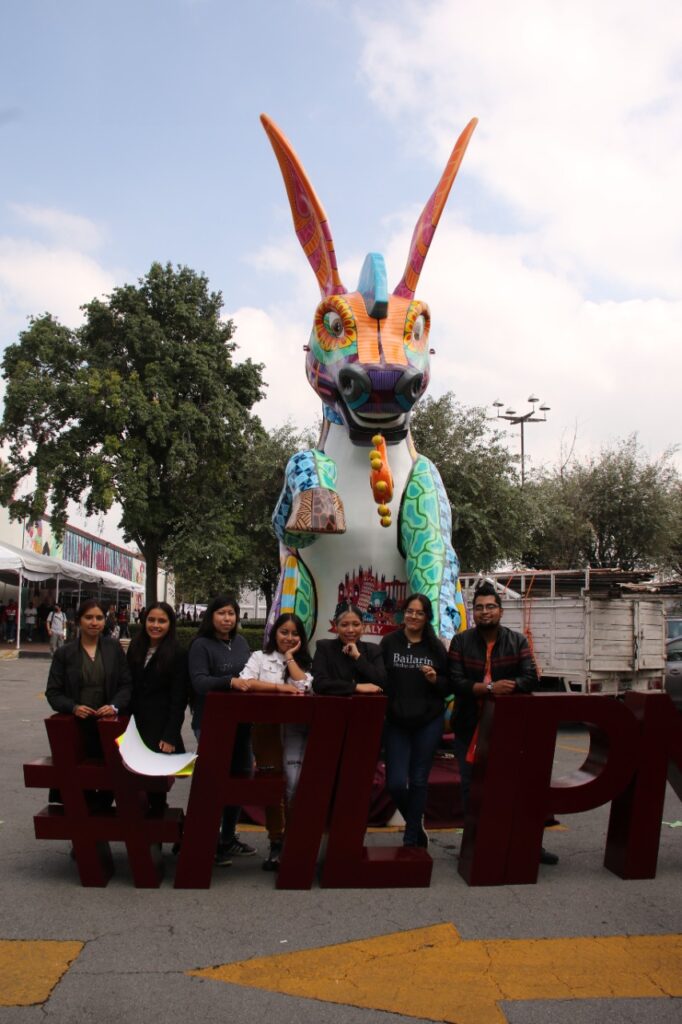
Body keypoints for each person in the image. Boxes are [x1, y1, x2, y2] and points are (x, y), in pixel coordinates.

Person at [448, 582, 558, 865]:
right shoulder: (461, 642)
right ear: (473, 613)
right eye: (479, 608)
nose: (485, 612)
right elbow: (456, 682)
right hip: (469, 726)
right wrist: (487, 690)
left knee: (515, 784)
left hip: (506, 727)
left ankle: (528, 843)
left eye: (490, 607)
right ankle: (473, 843)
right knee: (470, 786)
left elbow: (531, 677)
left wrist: (504, 686)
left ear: (501, 610)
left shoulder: (517, 641)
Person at [237, 613, 312, 871]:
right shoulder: (259, 657)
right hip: (266, 730)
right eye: (284, 632)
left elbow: (303, 685)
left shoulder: (305, 661)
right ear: (274, 633)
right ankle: (276, 842)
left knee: (293, 785)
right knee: (272, 784)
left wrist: (291, 658)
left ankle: (294, 841)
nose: (288, 638)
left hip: (294, 732)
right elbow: (246, 683)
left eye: (294, 633)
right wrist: (279, 689)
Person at [187, 594, 257, 866]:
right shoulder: (200, 645)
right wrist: (231, 682)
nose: (227, 618)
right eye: (221, 613)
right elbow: (200, 683)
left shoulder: (241, 643)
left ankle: (228, 838)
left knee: (240, 777)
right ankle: (207, 842)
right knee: (213, 782)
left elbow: (252, 674)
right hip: (210, 723)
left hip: (241, 723)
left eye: (231, 613)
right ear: (211, 616)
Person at [45, 598, 132, 809]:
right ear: (78, 621)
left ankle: (99, 825)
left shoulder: (113, 649)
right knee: (76, 784)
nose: (94, 622)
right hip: (77, 727)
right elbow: (53, 693)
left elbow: (126, 685)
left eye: (99, 618)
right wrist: (73, 707)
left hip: (108, 727)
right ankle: (84, 835)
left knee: (109, 780)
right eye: (89, 617)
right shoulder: (65, 653)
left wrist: (113, 706)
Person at [380, 593, 449, 848]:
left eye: (420, 613)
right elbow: (379, 679)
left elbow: (448, 685)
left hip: (428, 721)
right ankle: (415, 821)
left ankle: (411, 841)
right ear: (403, 613)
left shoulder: (435, 647)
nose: (414, 616)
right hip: (397, 721)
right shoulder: (389, 643)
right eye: (410, 611)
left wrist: (435, 679)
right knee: (396, 783)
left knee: (419, 779)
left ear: (427, 617)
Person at [127, 602, 188, 812]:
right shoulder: (136, 647)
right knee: (131, 781)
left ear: (170, 624)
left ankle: (156, 835)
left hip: (160, 729)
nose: (155, 625)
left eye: (162, 621)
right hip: (135, 724)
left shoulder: (178, 653)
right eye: (151, 620)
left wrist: (170, 735)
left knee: (156, 783)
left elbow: (178, 699)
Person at [312, 603, 386, 695]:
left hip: (365, 707)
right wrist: (355, 687)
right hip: (332, 706)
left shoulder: (373, 650)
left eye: (356, 624)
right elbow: (318, 684)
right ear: (336, 626)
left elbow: (383, 682)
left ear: (362, 626)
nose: (351, 630)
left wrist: (358, 657)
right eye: (344, 625)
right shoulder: (324, 648)